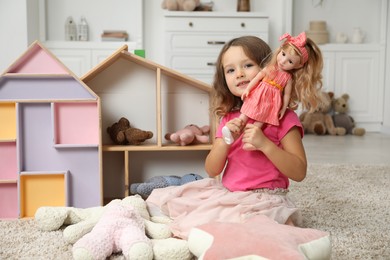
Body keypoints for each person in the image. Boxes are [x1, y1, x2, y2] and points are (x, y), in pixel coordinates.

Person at [146, 35, 324, 240]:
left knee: (250, 230)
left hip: (265, 199)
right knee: (186, 203)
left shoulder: (284, 119)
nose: (239, 74)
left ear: (270, 67)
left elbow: (299, 171)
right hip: (230, 194)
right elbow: (212, 169)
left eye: (247, 65)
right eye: (230, 70)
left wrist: (265, 145)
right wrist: (226, 140)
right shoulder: (230, 118)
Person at [222, 32, 324, 150]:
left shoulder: (287, 78)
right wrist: (248, 89)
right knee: (246, 111)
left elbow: (286, 95)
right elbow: (257, 78)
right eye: (283, 54)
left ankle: (250, 141)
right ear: (280, 50)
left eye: (290, 61)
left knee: (261, 119)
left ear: (298, 66)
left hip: (271, 102)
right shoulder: (270, 68)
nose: (283, 61)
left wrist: (283, 108)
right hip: (258, 95)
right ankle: (232, 129)